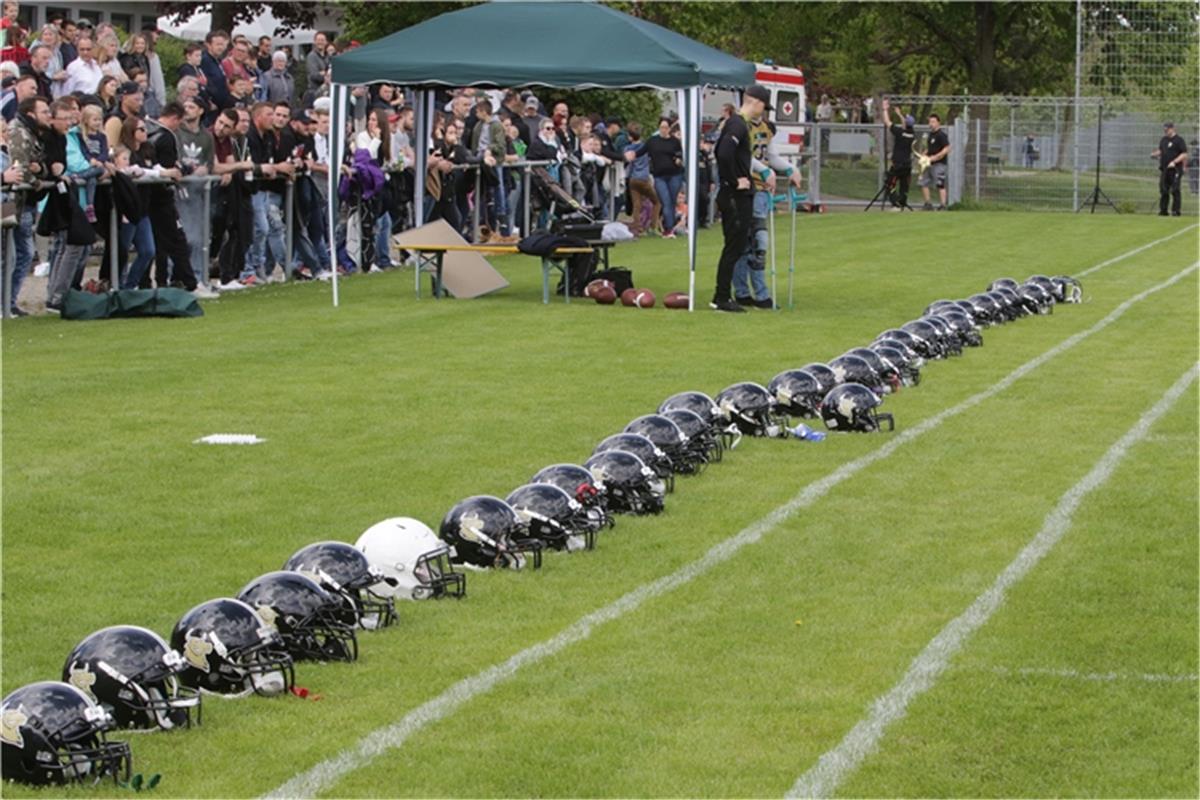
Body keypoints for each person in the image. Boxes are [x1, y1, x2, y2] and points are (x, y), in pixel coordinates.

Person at [732, 112, 801, 310]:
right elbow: (744, 156)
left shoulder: (766, 129)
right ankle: (744, 292)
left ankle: (760, 294)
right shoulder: (741, 127)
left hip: (761, 191)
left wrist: (789, 169)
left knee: (759, 244)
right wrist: (764, 170)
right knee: (745, 243)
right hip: (745, 188)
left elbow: (772, 156)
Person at [711, 85, 770, 313]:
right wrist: (735, 180)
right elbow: (723, 153)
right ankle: (722, 297)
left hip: (737, 194)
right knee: (734, 247)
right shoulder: (737, 124)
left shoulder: (737, 123)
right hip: (735, 195)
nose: (763, 112)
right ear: (755, 102)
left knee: (735, 246)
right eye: (763, 106)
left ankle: (722, 294)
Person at [7, 95, 50, 314]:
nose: (48, 116)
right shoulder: (19, 132)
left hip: (27, 202)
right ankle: (7, 302)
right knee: (18, 253)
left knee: (21, 253)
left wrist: (40, 171)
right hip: (15, 204)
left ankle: (9, 302)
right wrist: (38, 181)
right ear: (31, 114)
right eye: (44, 112)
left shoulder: (36, 133)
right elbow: (20, 169)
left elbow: (40, 165)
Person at [624, 117, 683, 237]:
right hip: (659, 176)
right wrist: (632, 154)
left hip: (674, 175)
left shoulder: (675, 142)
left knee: (671, 201)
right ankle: (668, 229)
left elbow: (680, 154)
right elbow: (641, 151)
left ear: (670, 129)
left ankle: (669, 227)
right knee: (665, 201)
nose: (663, 130)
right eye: (661, 127)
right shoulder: (652, 141)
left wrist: (678, 160)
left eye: (666, 128)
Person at [623, 121, 659, 236]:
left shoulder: (627, 148)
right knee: (657, 202)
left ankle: (636, 228)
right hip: (643, 178)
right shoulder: (645, 146)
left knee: (636, 205)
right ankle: (653, 226)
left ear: (630, 137)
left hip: (632, 179)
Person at [880, 98, 914, 210]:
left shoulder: (899, 133)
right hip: (907, 165)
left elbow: (887, 122)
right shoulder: (912, 134)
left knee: (890, 184)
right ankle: (903, 203)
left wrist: (885, 109)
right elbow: (906, 124)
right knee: (904, 186)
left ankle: (895, 204)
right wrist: (899, 114)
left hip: (897, 164)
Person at [1151, 121, 1187, 217]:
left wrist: (1174, 162)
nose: (1166, 131)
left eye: (1167, 129)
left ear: (1173, 129)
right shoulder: (1163, 140)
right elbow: (1161, 150)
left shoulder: (1179, 140)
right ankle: (1163, 211)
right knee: (1163, 190)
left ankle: (1176, 211)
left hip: (1175, 169)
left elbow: (1184, 154)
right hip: (1165, 169)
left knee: (1175, 190)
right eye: (1165, 130)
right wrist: (1155, 154)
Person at [919, 113, 950, 210]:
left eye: (933, 122)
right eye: (930, 122)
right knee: (923, 182)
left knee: (940, 184)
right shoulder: (930, 135)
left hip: (939, 164)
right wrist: (924, 155)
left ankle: (943, 205)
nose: (931, 124)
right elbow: (930, 148)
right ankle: (928, 204)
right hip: (928, 164)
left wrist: (936, 157)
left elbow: (947, 149)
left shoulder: (941, 135)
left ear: (938, 123)